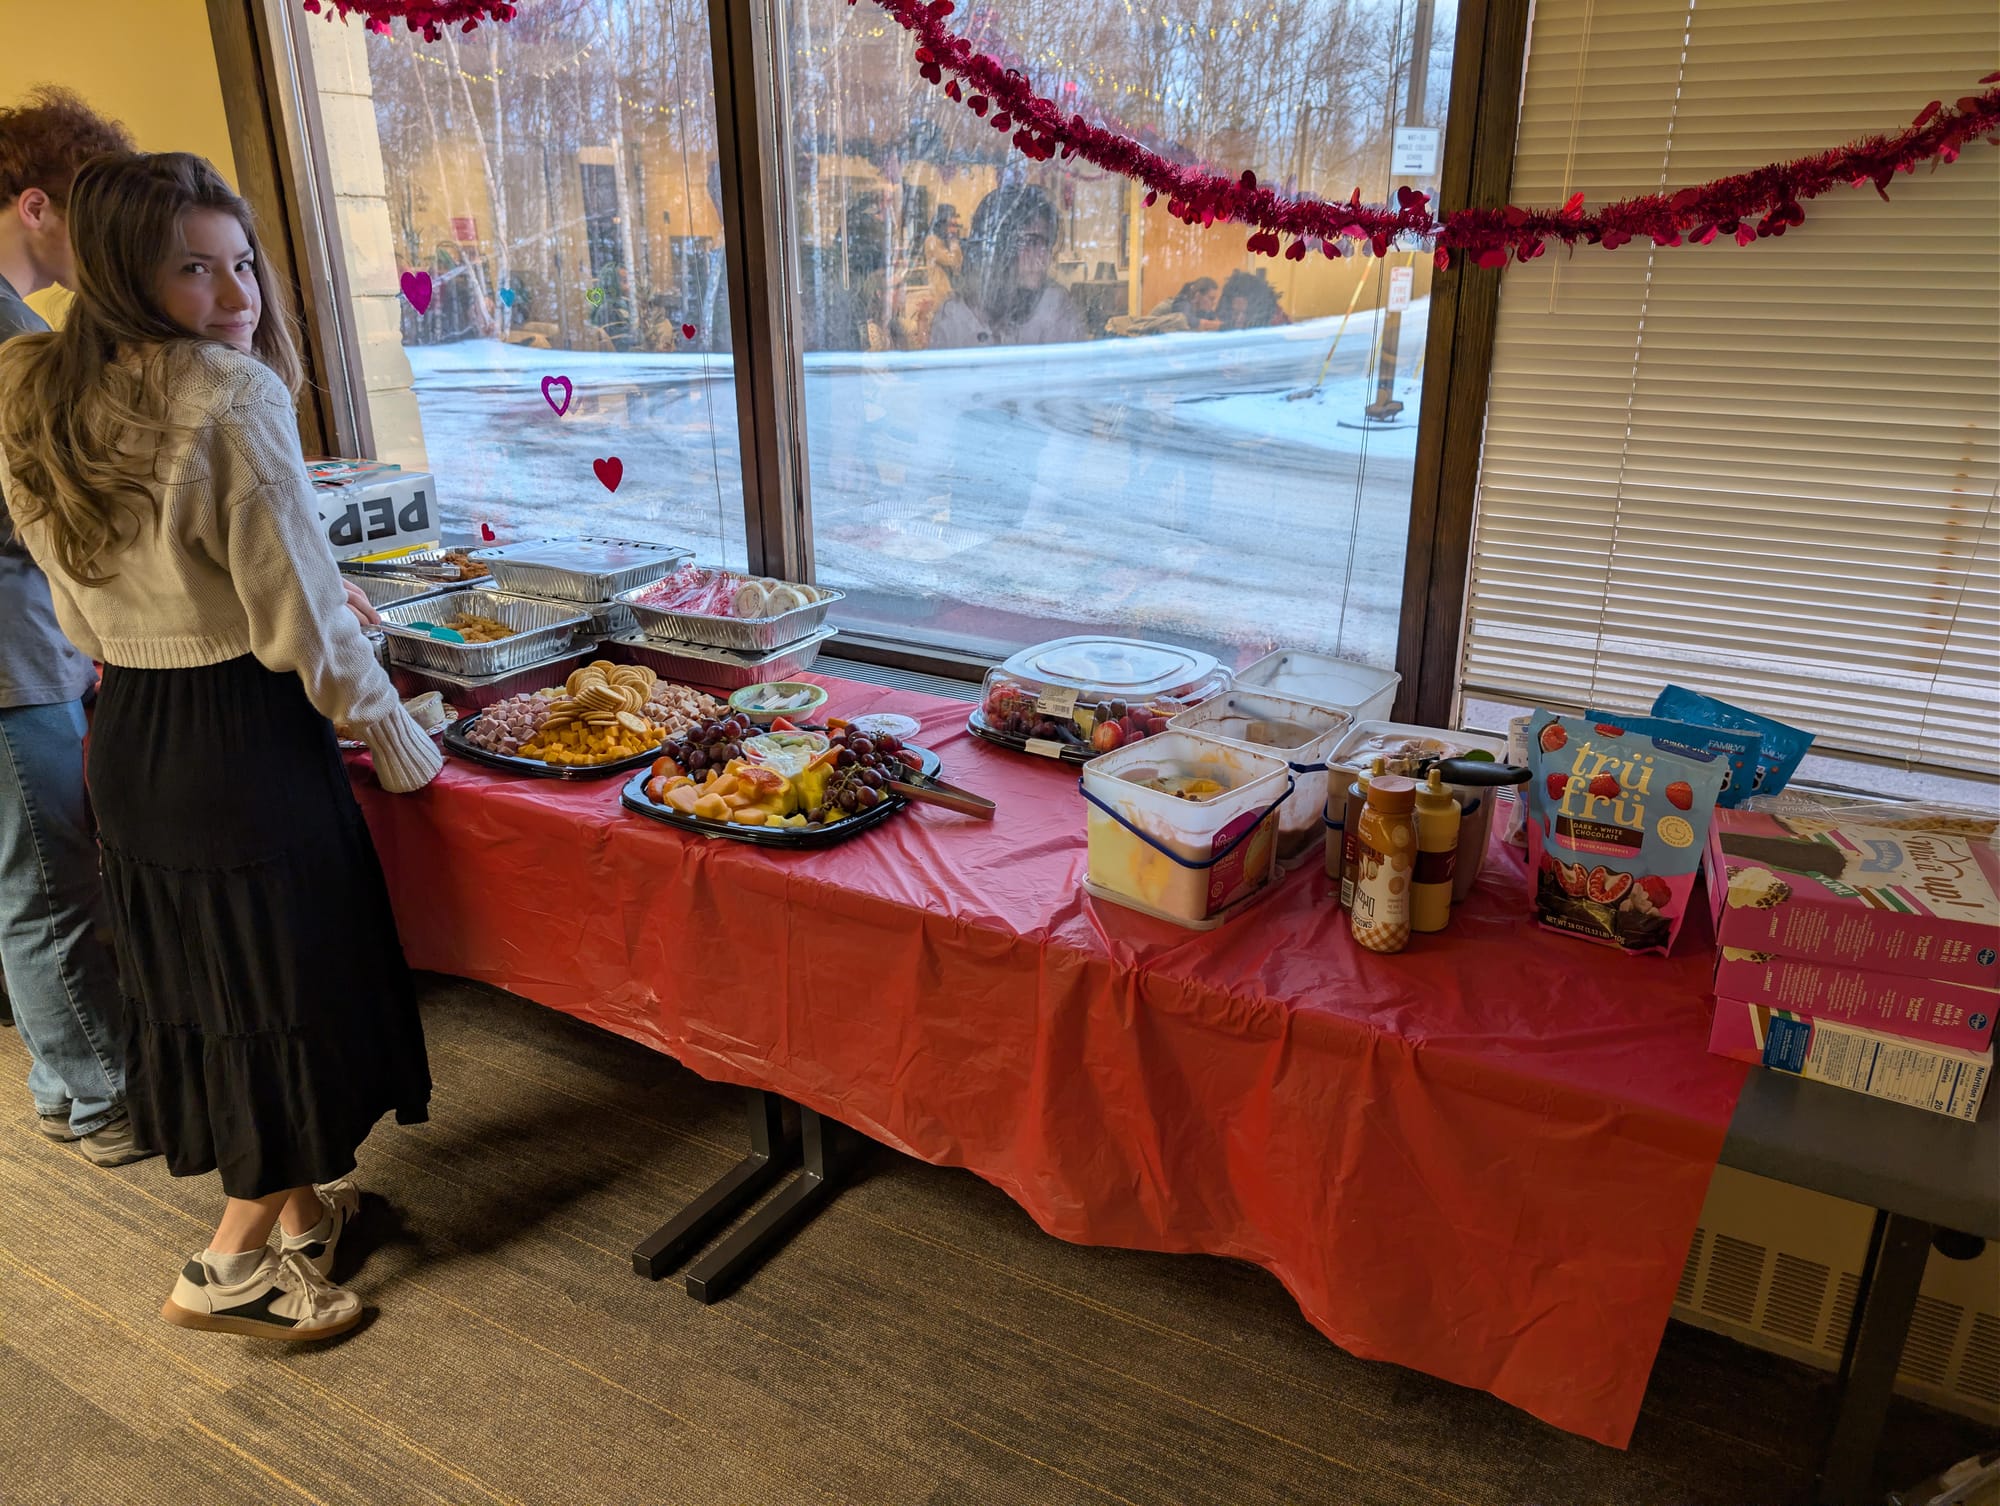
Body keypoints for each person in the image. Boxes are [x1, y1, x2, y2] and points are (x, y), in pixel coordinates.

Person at [0, 151, 441, 1341]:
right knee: (283, 992)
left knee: (212, 988)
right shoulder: (228, 392)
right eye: (192, 270)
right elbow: (299, 619)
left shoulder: (26, 382)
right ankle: (229, 1264)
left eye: (240, 261)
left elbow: (77, 607)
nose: (235, 294)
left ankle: (304, 1224)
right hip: (244, 739)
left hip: (131, 728)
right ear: (120, 276)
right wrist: (397, 736)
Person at [0, 86, 153, 1168]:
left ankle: (66, 1084)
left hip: (28, 642)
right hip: (9, 656)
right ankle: (98, 1100)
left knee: (38, 875)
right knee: (52, 884)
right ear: (39, 206)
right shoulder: (9, 341)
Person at [928, 184, 1085, 349]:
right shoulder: (956, 317)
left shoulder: (1054, 307)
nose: (1043, 257)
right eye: (1031, 243)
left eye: (1046, 244)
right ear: (1000, 246)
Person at [908, 203, 962, 347]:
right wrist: (954, 240)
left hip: (949, 293)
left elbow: (958, 264)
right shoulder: (932, 241)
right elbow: (951, 260)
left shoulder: (946, 242)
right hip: (939, 293)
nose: (953, 229)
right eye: (951, 224)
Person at [1149, 276, 1220, 332]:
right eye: (1211, 298)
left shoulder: (1201, 309)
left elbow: (1215, 320)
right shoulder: (1182, 303)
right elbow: (1188, 322)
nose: (1214, 302)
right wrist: (1215, 325)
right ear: (1198, 295)